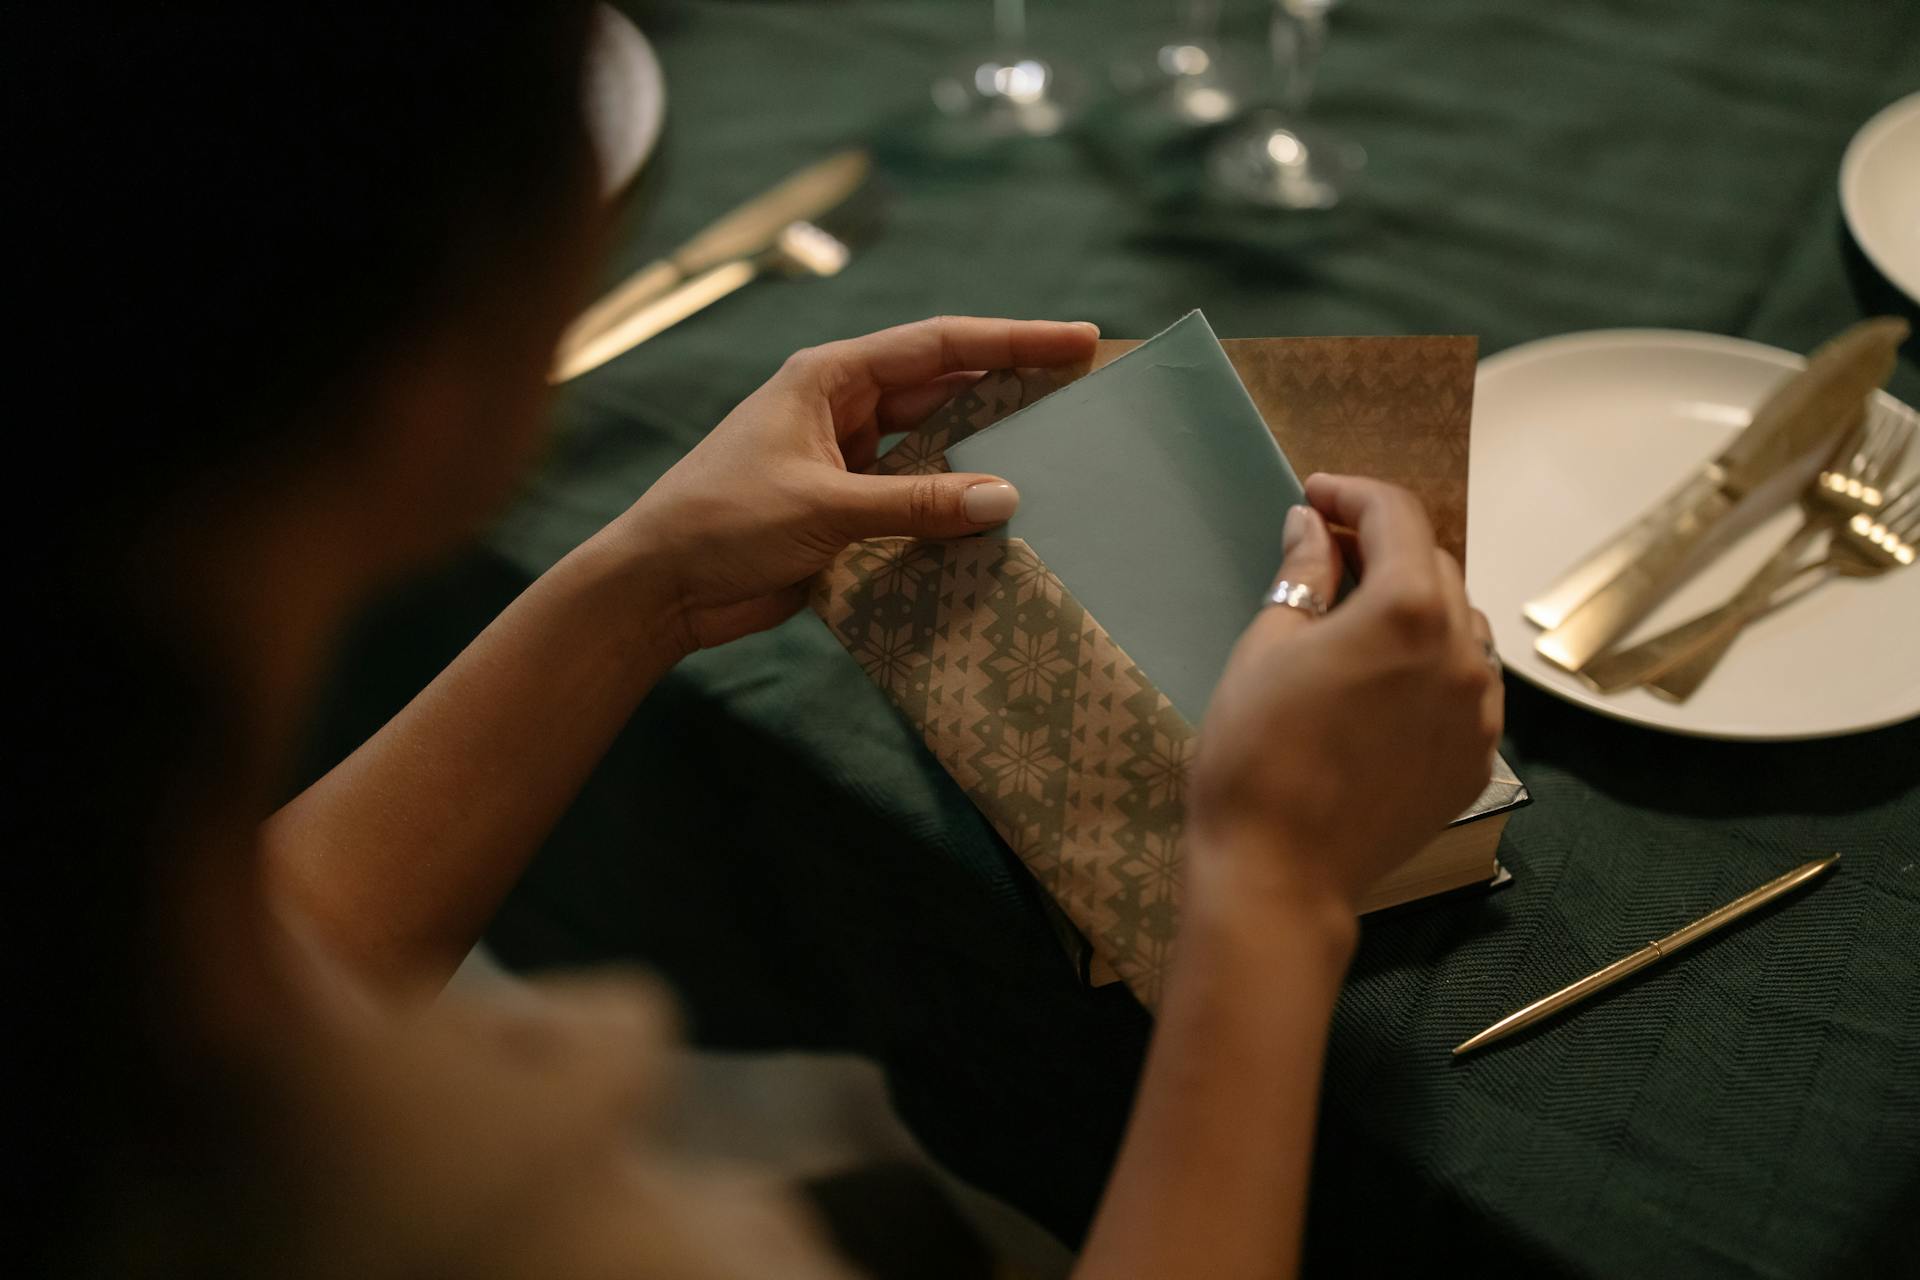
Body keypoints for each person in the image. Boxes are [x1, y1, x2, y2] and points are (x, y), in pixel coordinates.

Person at [13, 6, 1500, 1277]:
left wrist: (643, 584)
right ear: (443, 350)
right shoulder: (449, 1214)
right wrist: (1270, 887)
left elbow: (276, 938)